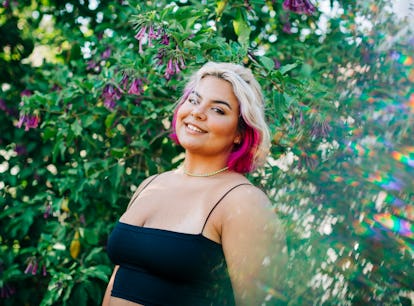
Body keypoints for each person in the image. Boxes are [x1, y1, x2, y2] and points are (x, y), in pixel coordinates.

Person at [102, 62, 287, 306]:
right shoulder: (151, 184)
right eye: (193, 100)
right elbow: (120, 275)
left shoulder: (242, 201)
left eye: (218, 110)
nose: (197, 112)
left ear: (240, 132)